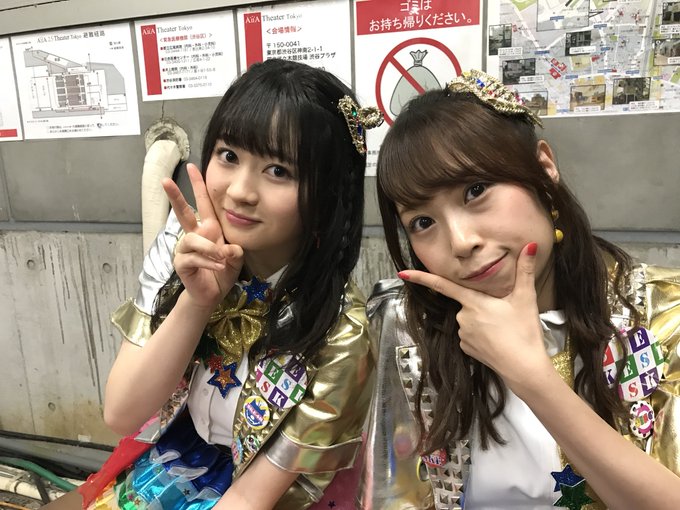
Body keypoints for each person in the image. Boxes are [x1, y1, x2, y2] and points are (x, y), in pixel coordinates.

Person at [46, 58, 382, 510]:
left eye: (279, 171)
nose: (239, 191)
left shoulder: (341, 331)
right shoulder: (182, 244)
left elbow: (251, 497)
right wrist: (197, 301)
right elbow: (122, 413)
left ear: (327, 194)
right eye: (229, 156)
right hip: (174, 457)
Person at [358, 70, 680, 509]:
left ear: (544, 168)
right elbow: (395, 496)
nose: (461, 242)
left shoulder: (661, 312)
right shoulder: (412, 328)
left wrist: (531, 377)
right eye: (423, 222)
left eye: (475, 190)